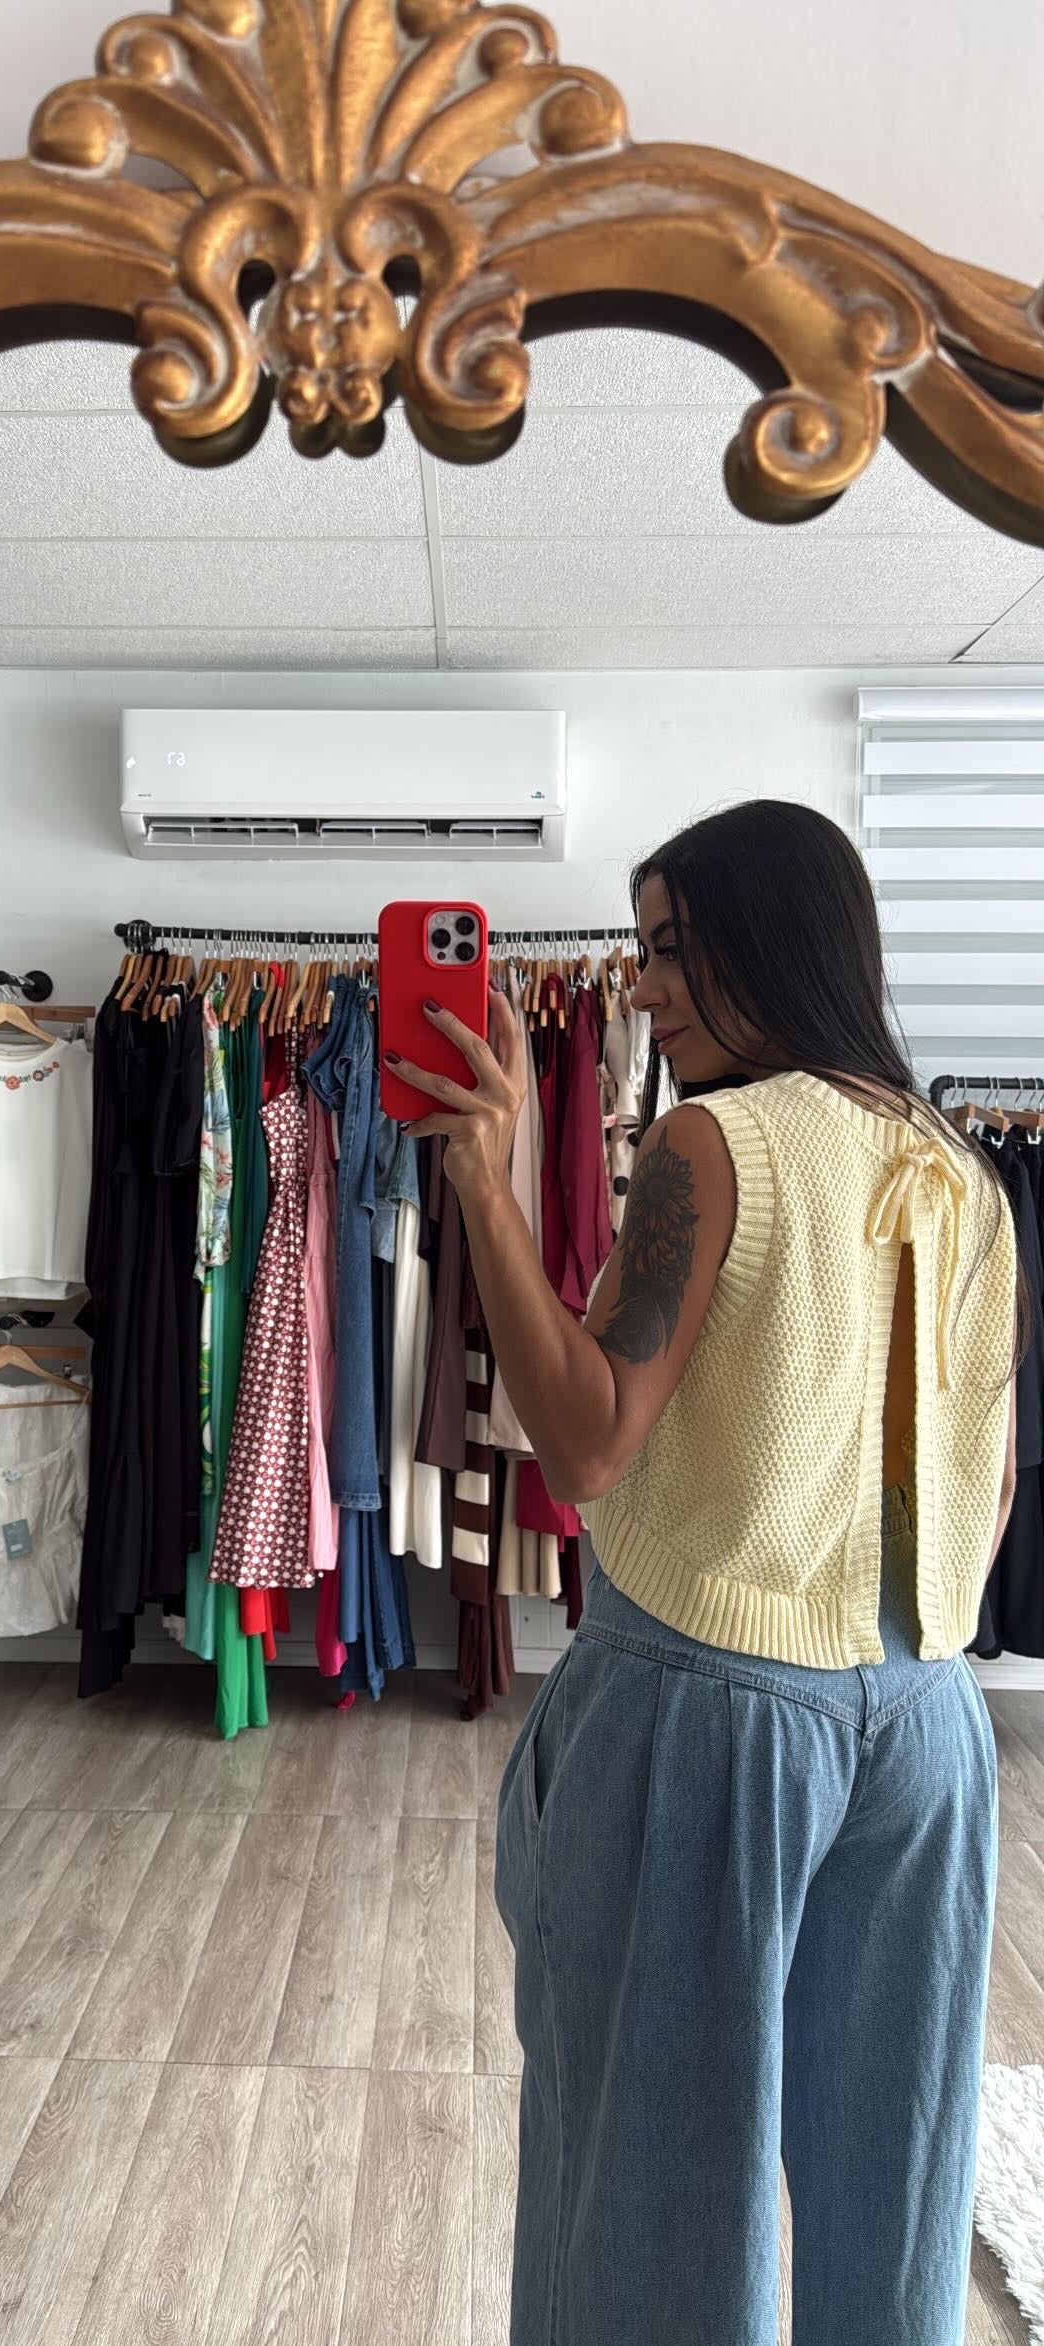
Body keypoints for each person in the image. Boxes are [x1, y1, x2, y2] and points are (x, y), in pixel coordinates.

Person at [384, 799, 1021, 2346]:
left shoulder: (712, 1142)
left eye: (674, 947)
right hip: (929, 1727)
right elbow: (987, 1483)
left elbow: (587, 1444)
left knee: (661, 2204)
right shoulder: (961, 1168)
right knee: (895, 2190)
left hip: (715, 1718)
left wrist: (486, 1182)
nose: (646, 984)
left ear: (772, 939)